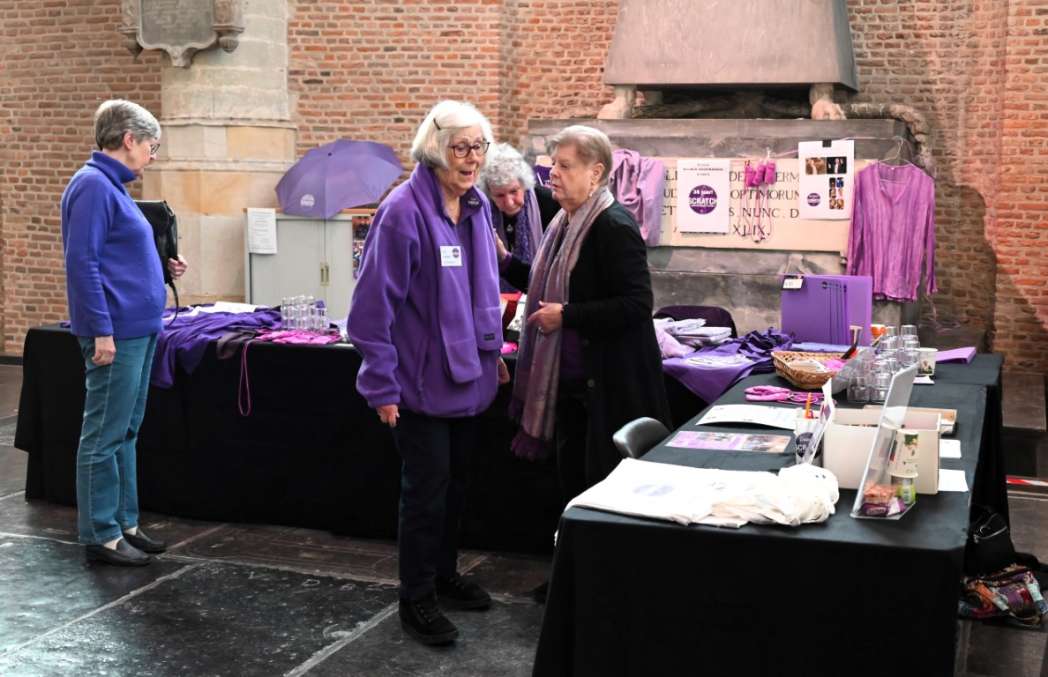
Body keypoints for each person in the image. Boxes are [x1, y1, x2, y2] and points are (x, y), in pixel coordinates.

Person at [347, 100, 509, 646]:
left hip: (469, 377)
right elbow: (371, 311)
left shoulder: (477, 207)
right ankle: (415, 597)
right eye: (461, 148)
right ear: (435, 150)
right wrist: (380, 383)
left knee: (456, 487)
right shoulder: (402, 213)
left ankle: (443, 575)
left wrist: (491, 354)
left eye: (479, 147)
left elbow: (481, 290)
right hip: (418, 385)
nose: (472, 158)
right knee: (426, 494)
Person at [499, 124, 672, 520]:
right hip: (572, 388)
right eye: (552, 165)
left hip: (607, 388)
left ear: (595, 173)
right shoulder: (564, 223)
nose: (553, 174)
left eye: (565, 166)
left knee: (601, 496)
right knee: (572, 487)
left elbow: (636, 304)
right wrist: (507, 262)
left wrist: (567, 316)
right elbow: (549, 285)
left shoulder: (613, 226)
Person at [61, 99, 188, 567]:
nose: (152, 156)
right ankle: (101, 533)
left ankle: (125, 523)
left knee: (126, 431)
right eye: (152, 146)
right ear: (129, 140)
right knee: (104, 435)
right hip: (116, 332)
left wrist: (163, 266)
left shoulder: (111, 187)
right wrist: (100, 331)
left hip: (138, 328)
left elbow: (117, 256)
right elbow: (83, 264)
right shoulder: (93, 185)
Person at [477, 143, 559, 290]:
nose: (509, 202)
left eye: (514, 191)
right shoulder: (481, 211)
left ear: (524, 184)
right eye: (499, 195)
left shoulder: (550, 204)